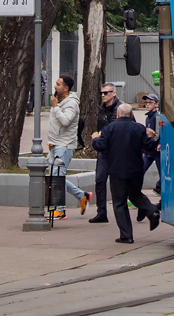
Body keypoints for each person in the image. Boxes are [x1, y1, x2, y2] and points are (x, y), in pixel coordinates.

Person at [91, 103, 159, 244]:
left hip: (117, 170)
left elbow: (100, 146)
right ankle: (151, 210)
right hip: (136, 169)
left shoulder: (109, 128)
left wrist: (95, 139)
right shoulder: (139, 128)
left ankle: (126, 235)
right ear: (132, 115)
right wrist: (152, 137)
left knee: (119, 202)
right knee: (135, 194)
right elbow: (150, 146)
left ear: (117, 115)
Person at [47, 73, 90, 219]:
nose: (54, 86)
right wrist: (52, 140)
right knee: (55, 176)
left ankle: (60, 210)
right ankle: (82, 196)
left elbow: (65, 121)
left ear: (66, 88)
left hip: (65, 145)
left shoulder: (71, 103)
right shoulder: (60, 100)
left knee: (57, 178)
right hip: (56, 143)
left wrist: (55, 107)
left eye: (58, 84)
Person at [88, 82, 122, 224]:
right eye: (102, 93)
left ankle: (141, 208)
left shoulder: (120, 108)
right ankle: (101, 212)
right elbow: (101, 125)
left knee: (119, 183)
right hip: (104, 150)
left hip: (117, 152)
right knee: (100, 180)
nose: (103, 95)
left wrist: (100, 135)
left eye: (106, 93)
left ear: (113, 93)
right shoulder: (103, 108)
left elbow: (114, 128)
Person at [141, 93, 161, 195]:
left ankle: (160, 188)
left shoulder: (157, 117)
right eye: (146, 103)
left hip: (156, 150)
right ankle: (136, 192)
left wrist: (154, 143)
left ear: (156, 104)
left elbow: (158, 134)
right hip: (149, 151)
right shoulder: (148, 117)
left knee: (162, 172)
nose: (147, 105)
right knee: (140, 170)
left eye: (150, 102)